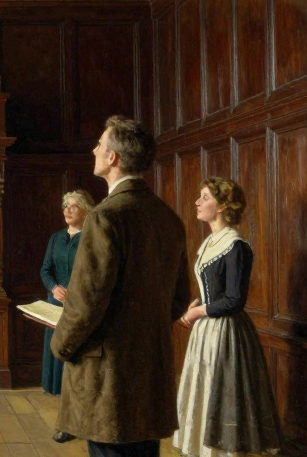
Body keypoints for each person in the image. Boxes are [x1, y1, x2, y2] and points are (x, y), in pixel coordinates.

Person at [51, 115, 191, 457]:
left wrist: (61, 346)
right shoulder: (166, 215)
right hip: (150, 368)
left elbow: (86, 301)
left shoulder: (104, 217)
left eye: (100, 144)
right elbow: (180, 298)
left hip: (107, 375)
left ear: (113, 157)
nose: (95, 149)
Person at [172, 177, 282, 457]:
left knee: (223, 393)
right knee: (204, 390)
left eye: (205, 197)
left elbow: (234, 300)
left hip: (226, 334)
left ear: (222, 206)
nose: (197, 202)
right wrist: (198, 303)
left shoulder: (235, 246)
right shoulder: (210, 242)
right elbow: (213, 290)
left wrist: (198, 311)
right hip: (206, 332)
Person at [41, 189, 95, 441]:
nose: (68, 210)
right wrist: (54, 287)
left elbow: (94, 273)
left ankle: (75, 422)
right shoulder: (56, 238)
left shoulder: (92, 237)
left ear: (86, 210)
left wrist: (74, 291)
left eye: (74, 206)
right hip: (55, 303)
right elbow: (46, 270)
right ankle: (66, 420)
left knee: (77, 363)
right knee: (59, 360)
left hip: (80, 305)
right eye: (65, 206)